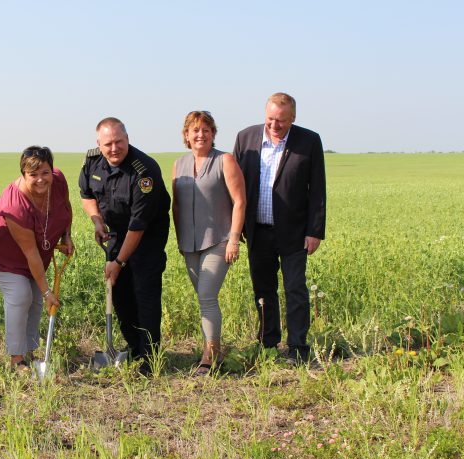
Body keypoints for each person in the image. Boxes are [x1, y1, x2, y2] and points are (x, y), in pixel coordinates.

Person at [233, 93, 326, 364]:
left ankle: (298, 347)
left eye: (282, 121)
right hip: (257, 231)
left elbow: (317, 189)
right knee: (263, 290)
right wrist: (235, 228)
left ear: (293, 119)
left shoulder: (308, 141)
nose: (275, 125)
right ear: (265, 115)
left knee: (295, 288)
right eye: (271, 119)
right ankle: (268, 343)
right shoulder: (245, 138)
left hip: (295, 232)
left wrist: (315, 230)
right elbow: (235, 187)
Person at [78, 118, 171, 374]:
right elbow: (86, 195)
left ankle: (151, 358)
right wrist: (97, 221)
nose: (114, 148)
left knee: (144, 295)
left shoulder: (144, 171)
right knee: (120, 295)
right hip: (116, 235)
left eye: (119, 141)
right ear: (99, 144)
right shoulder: (92, 161)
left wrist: (118, 262)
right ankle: (134, 347)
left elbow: (138, 225)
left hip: (146, 237)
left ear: (127, 138)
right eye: (108, 144)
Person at [0, 146, 73, 371]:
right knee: (21, 295)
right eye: (33, 174)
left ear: (52, 170)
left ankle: (30, 352)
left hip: (35, 250)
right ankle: (16, 360)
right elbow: (30, 252)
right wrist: (49, 292)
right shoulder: (15, 205)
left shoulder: (58, 180)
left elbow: (65, 208)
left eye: (45, 172)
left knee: (36, 297)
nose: (41, 179)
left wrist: (66, 235)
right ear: (23, 174)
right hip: (1, 252)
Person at [172, 111, 246, 374]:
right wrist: (180, 239)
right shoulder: (179, 164)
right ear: (186, 135)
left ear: (213, 134)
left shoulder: (224, 160)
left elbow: (239, 201)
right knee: (203, 298)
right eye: (195, 130)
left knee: (207, 296)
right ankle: (210, 346)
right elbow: (177, 206)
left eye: (206, 130)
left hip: (219, 240)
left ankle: (210, 356)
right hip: (189, 243)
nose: (200, 135)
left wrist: (234, 240)